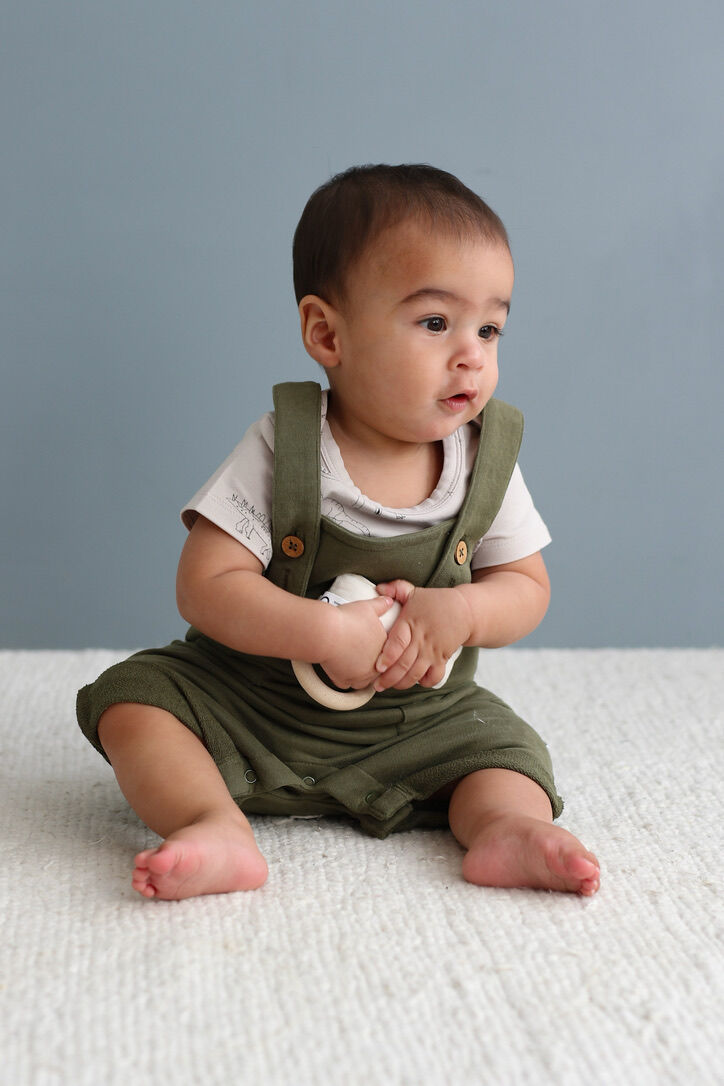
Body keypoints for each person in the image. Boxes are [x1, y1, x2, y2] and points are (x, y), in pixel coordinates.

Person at [77, 164, 600, 901]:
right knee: (135, 703)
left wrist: (462, 611)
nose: (472, 355)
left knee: (505, 753)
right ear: (327, 332)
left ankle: (506, 830)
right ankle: (210, 823)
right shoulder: (285, 448)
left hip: (419, 717)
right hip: (254, 703)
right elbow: (205, 586)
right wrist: (320, 634)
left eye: (490, 328)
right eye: (434, 323)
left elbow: (526, 587)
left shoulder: (485, 459)